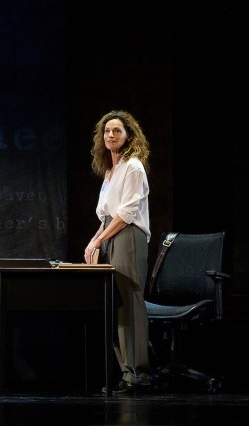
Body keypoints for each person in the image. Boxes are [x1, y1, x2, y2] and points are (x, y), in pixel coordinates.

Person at [84, 110, 151, 394]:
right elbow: (106, 216)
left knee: (130, 303)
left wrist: (100, 241)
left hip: (128, 235)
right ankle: (126, 373)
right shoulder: (111, 172)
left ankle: (138, 375)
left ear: (129, 136)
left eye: (117, 131)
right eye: (107, 131)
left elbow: (126, 213)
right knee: (116, 305)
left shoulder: (133, 166)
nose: (110, 135)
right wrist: (93, 241)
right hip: (113, 232)